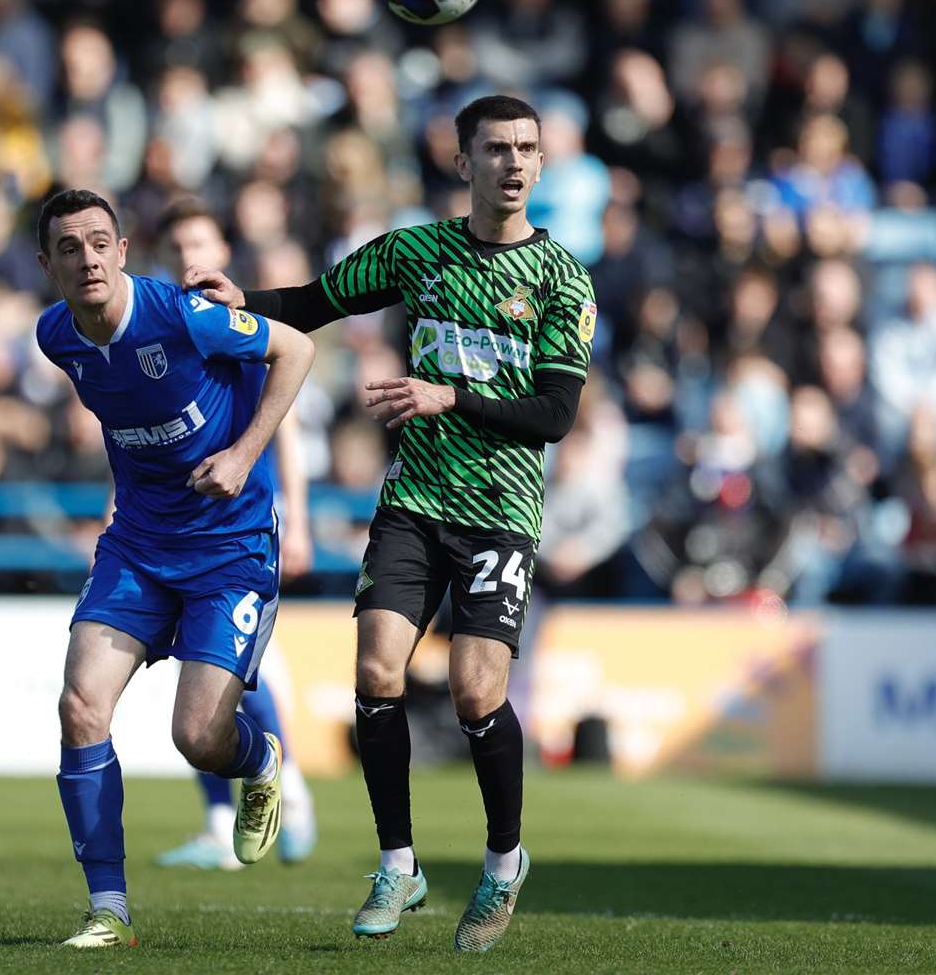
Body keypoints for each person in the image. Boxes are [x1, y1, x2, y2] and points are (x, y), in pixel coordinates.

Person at [184, 95, 594, 952]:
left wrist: (451, 396)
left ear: (543, 164)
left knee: (480, 689)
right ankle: (399, 865)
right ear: (463, 163)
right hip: (415, 500)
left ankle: (502, 862)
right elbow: (314, 300)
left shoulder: (563, 279)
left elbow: (555, 414)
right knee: (377, 672)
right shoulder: (419, 252)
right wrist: (238, 299)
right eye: (496, 150)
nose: (514, 164)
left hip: (500, 513)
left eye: (527, 149)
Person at [34, 189, 315, 948]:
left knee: (198, 737)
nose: (87, 258)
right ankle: (108, 910)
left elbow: (298, 349)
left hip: (230, 546)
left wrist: (244, 453)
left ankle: (258, 760)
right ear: (48, 264)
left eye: (100, 242)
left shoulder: (182, 314)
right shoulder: (55, 336)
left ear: (123, 251)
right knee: (79, 707)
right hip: (138, 546)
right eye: (69, 247)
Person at [152, 201, 317, 871]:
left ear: (224, 245)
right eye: (180, 245)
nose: (192, 255)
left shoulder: (249, 326)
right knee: (201, 675)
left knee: (238, 673)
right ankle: (223, 821)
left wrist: (298, 520)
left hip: (245, 525)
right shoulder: (164, 323)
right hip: (178, 526)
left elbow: (291, 433)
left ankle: (289, 787)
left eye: (202, 240)